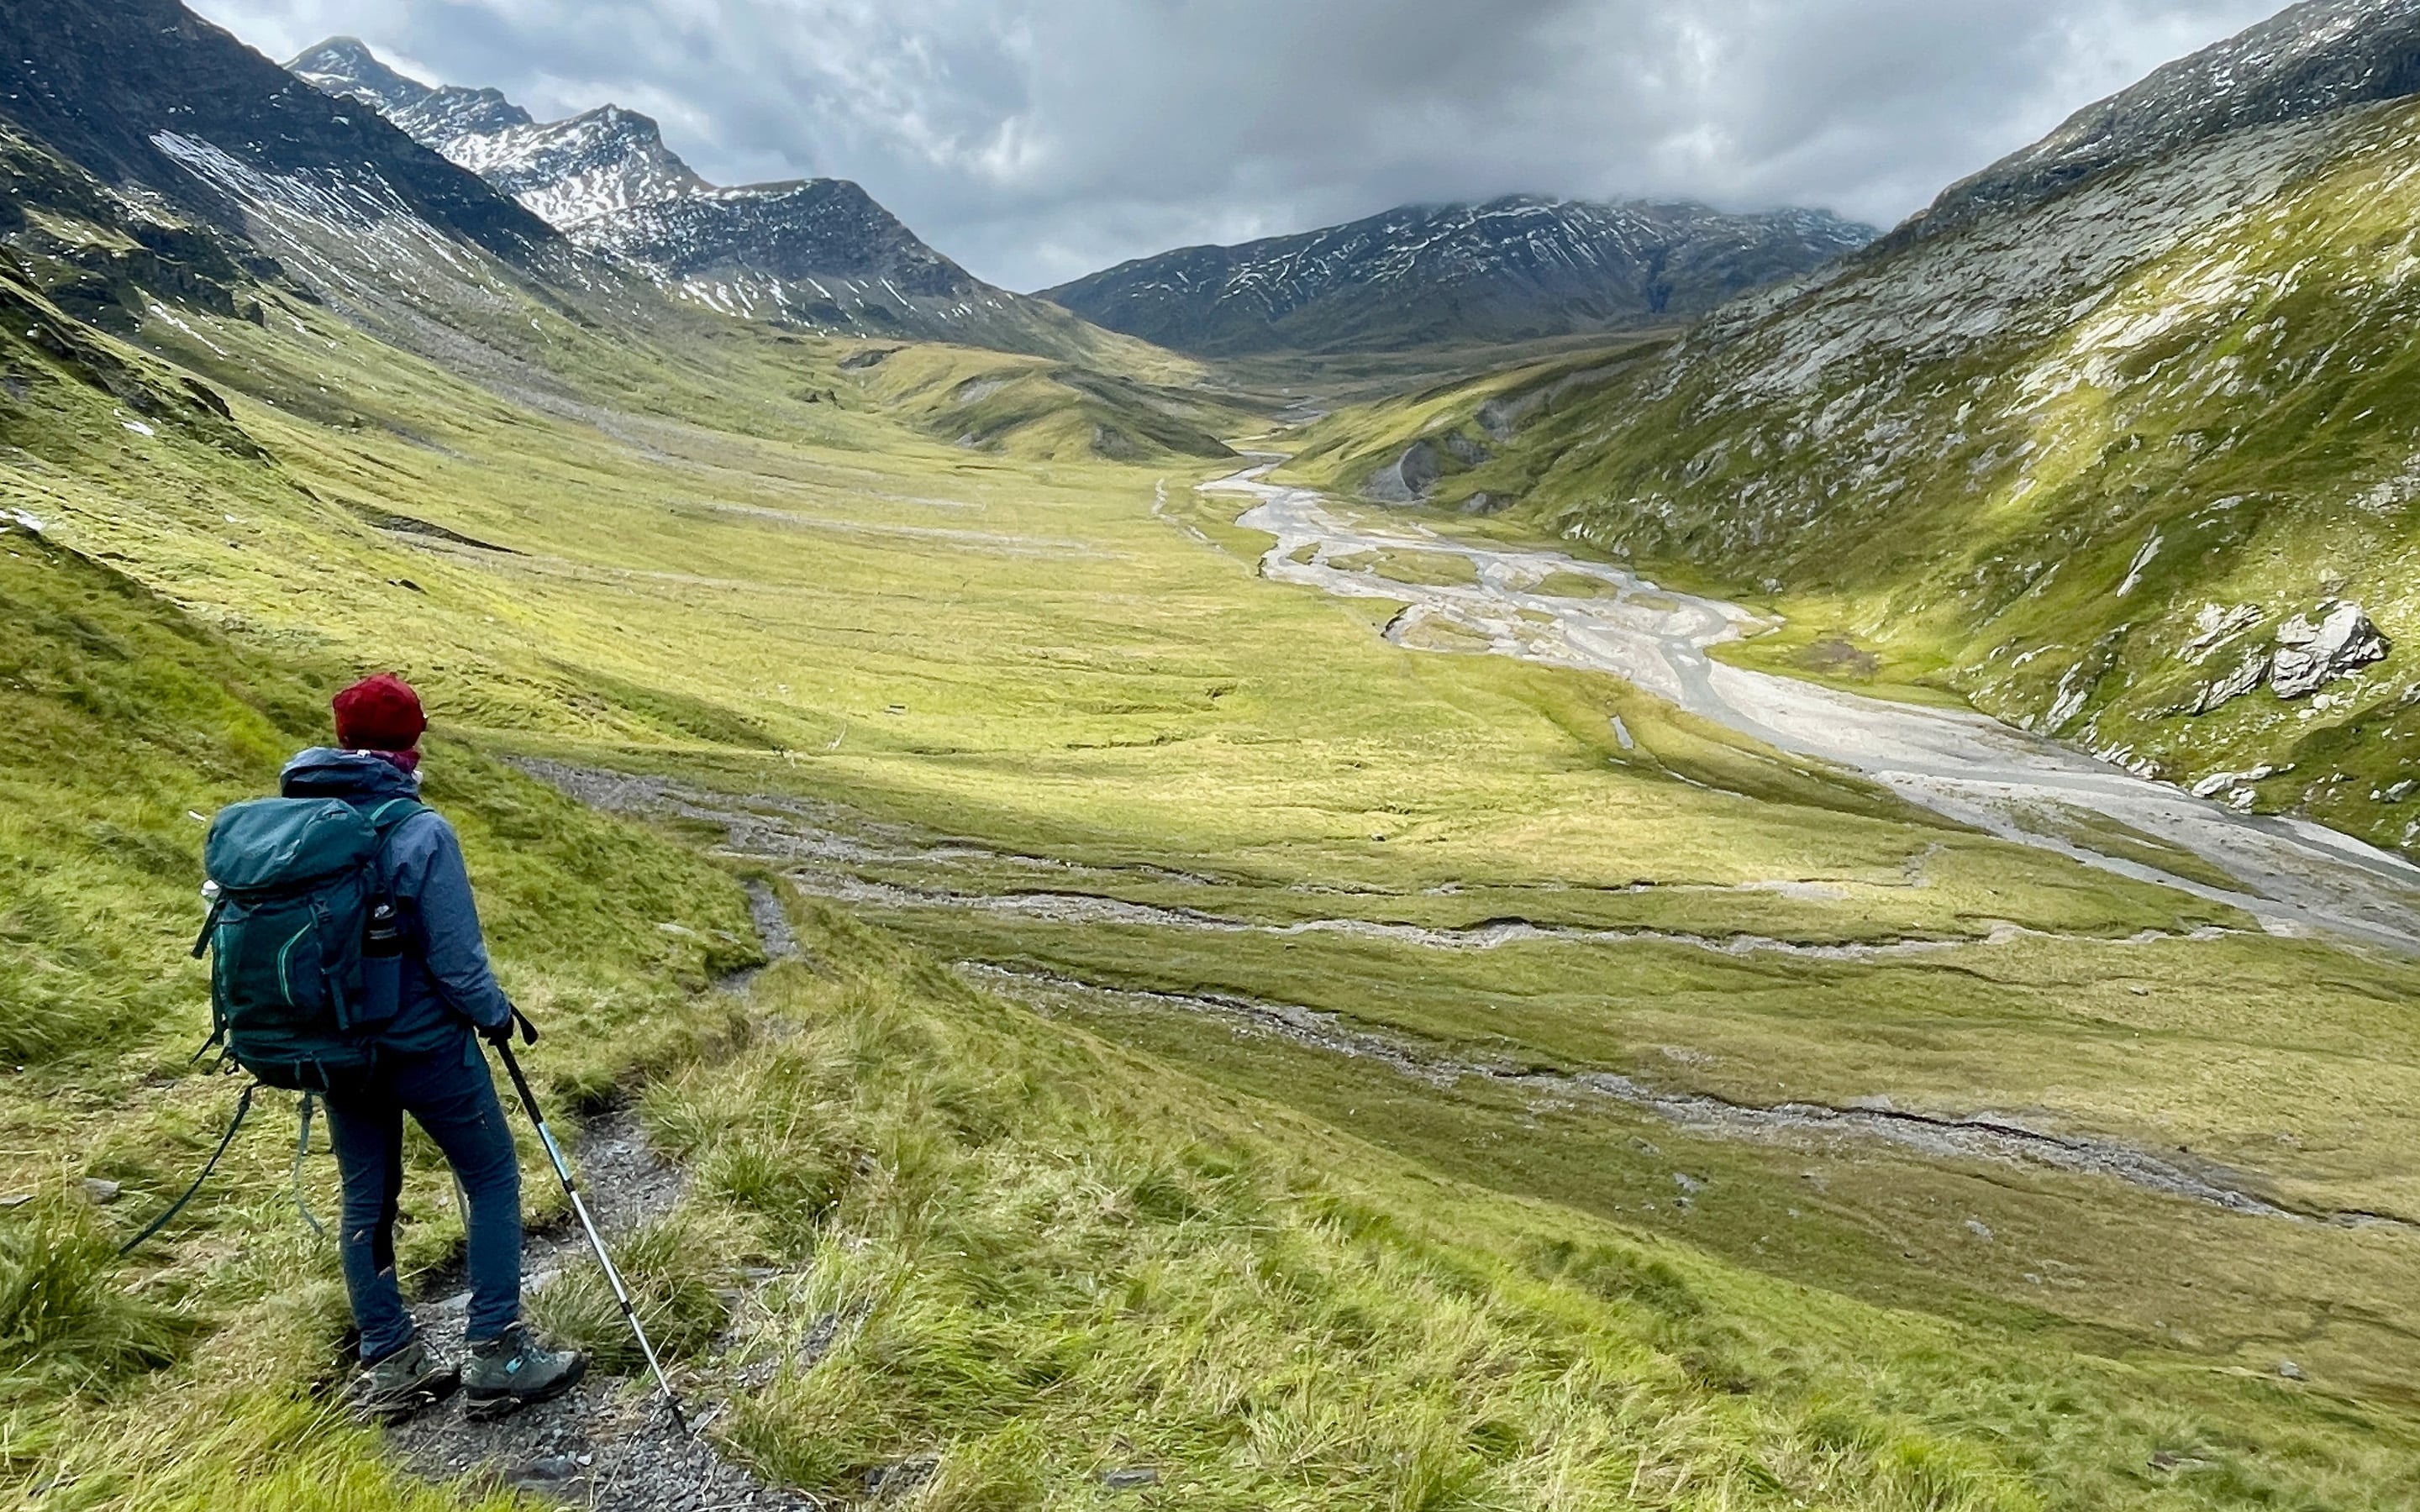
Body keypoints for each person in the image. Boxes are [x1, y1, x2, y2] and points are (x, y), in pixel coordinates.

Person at [282, 673, 586, 1420]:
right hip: (424, 1047)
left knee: (366, 1198)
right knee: (491, 1176)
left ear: (341, 738)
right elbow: (457, 962)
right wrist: (496, 1016)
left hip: (336, 1051)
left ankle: (391, 1363)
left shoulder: (298, 821)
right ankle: (497, 1353)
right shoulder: (421, 831)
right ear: (413, 742)